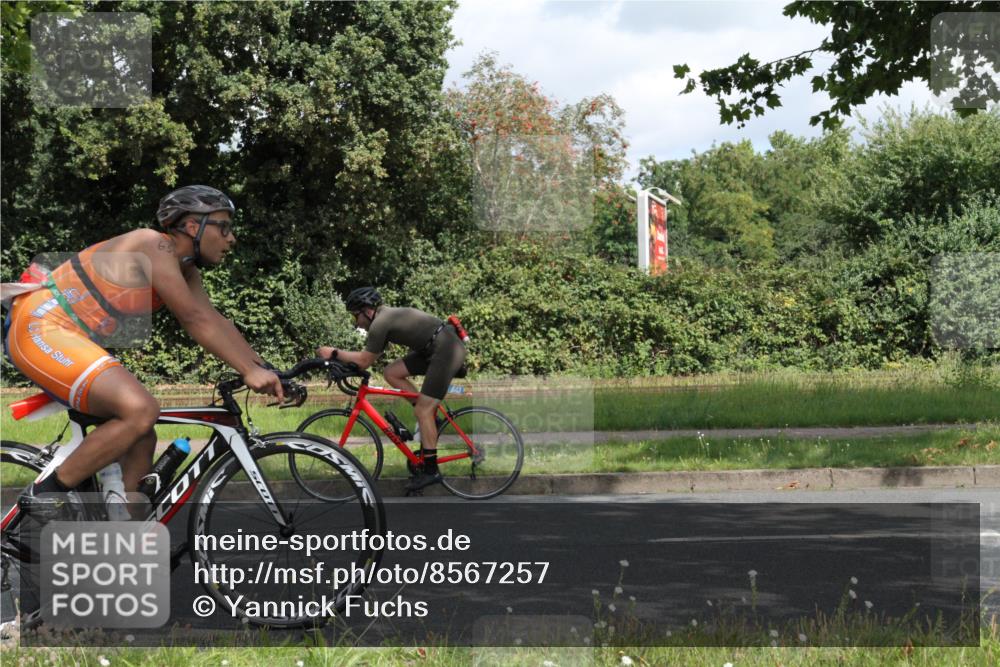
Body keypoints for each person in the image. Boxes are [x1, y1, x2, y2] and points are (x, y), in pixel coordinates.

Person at [4, 185, 284, 521]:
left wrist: (266, 369)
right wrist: (249, 372)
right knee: (140, 409)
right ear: (194, 226)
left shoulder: (184, 268)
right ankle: (45, 494)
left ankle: (131, 542)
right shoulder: (153, 245)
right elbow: (193, 319)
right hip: (41, 326)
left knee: (141, 434)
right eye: (224, 226)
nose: (231, 238)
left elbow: (215, 321)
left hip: (70, 337)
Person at [317, 287, 466, 491]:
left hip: (446, 349)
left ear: (368, 311)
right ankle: (431, 419)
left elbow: (364, 361)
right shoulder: (383, 317)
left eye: (356, 316)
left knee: (423, 410)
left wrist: (333, 352)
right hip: (435, 347)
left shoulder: (380, 323)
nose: (356, 322)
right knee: (391, 372)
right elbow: (366, 360)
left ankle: (431, 471)